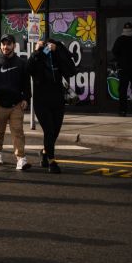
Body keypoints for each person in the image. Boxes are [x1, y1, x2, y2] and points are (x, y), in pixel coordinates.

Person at [29, 36, 76, 173]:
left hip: (57, 99)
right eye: (46, 47)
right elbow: (29, 69)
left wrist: (58, 52)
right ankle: (51, 160)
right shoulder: (38, 58)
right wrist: (36, 52)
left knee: (55, 130)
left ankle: (44, 152)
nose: (48, 50)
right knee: (49, 129)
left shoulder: (57, 56)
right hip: (41, 100)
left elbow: (71, 71)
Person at [0, 35, 30, 170]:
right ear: (1, 45)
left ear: (14, 45)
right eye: (3, 44)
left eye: (9, 44)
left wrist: (25, 98)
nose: (6, 47)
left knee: (18, 131)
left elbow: (26, 82)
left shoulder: (21, 63)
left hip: (16, 103)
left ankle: (21, 158)